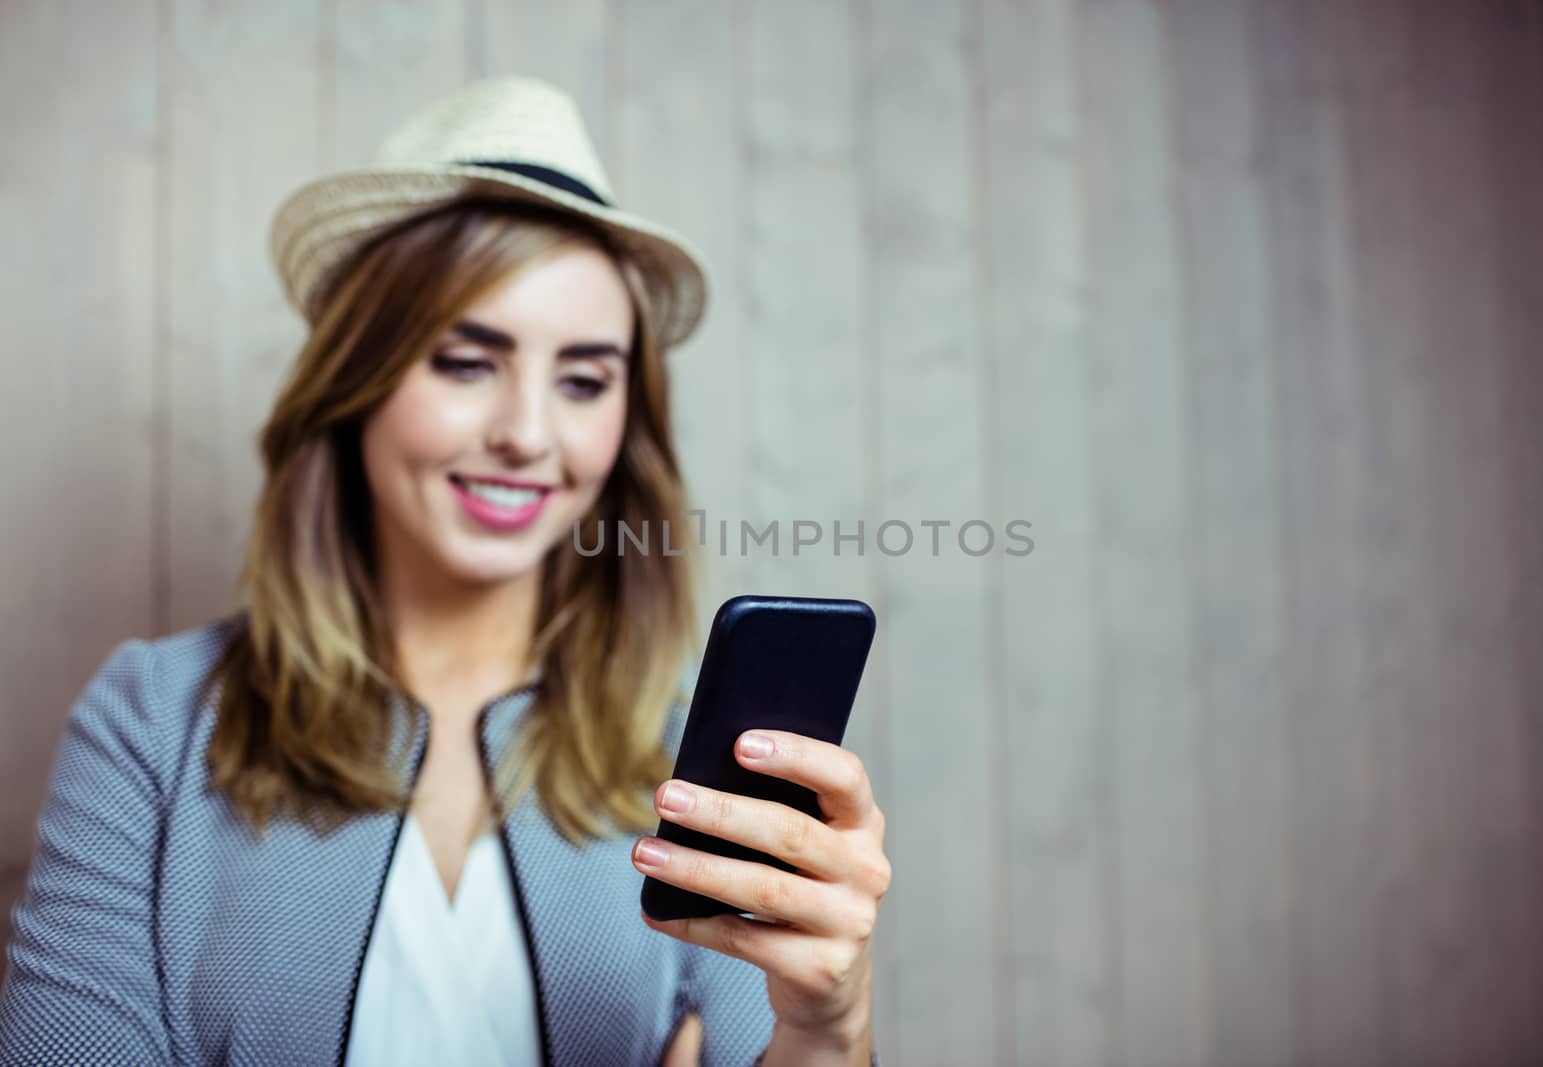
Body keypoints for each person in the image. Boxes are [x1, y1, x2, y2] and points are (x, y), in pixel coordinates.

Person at [0, 76, 889, 1066]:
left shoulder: (697, 762)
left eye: (585, 380)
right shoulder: (151, 719)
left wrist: (826, 1030)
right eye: (466, 360)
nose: (525, 434)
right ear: (358, 381)